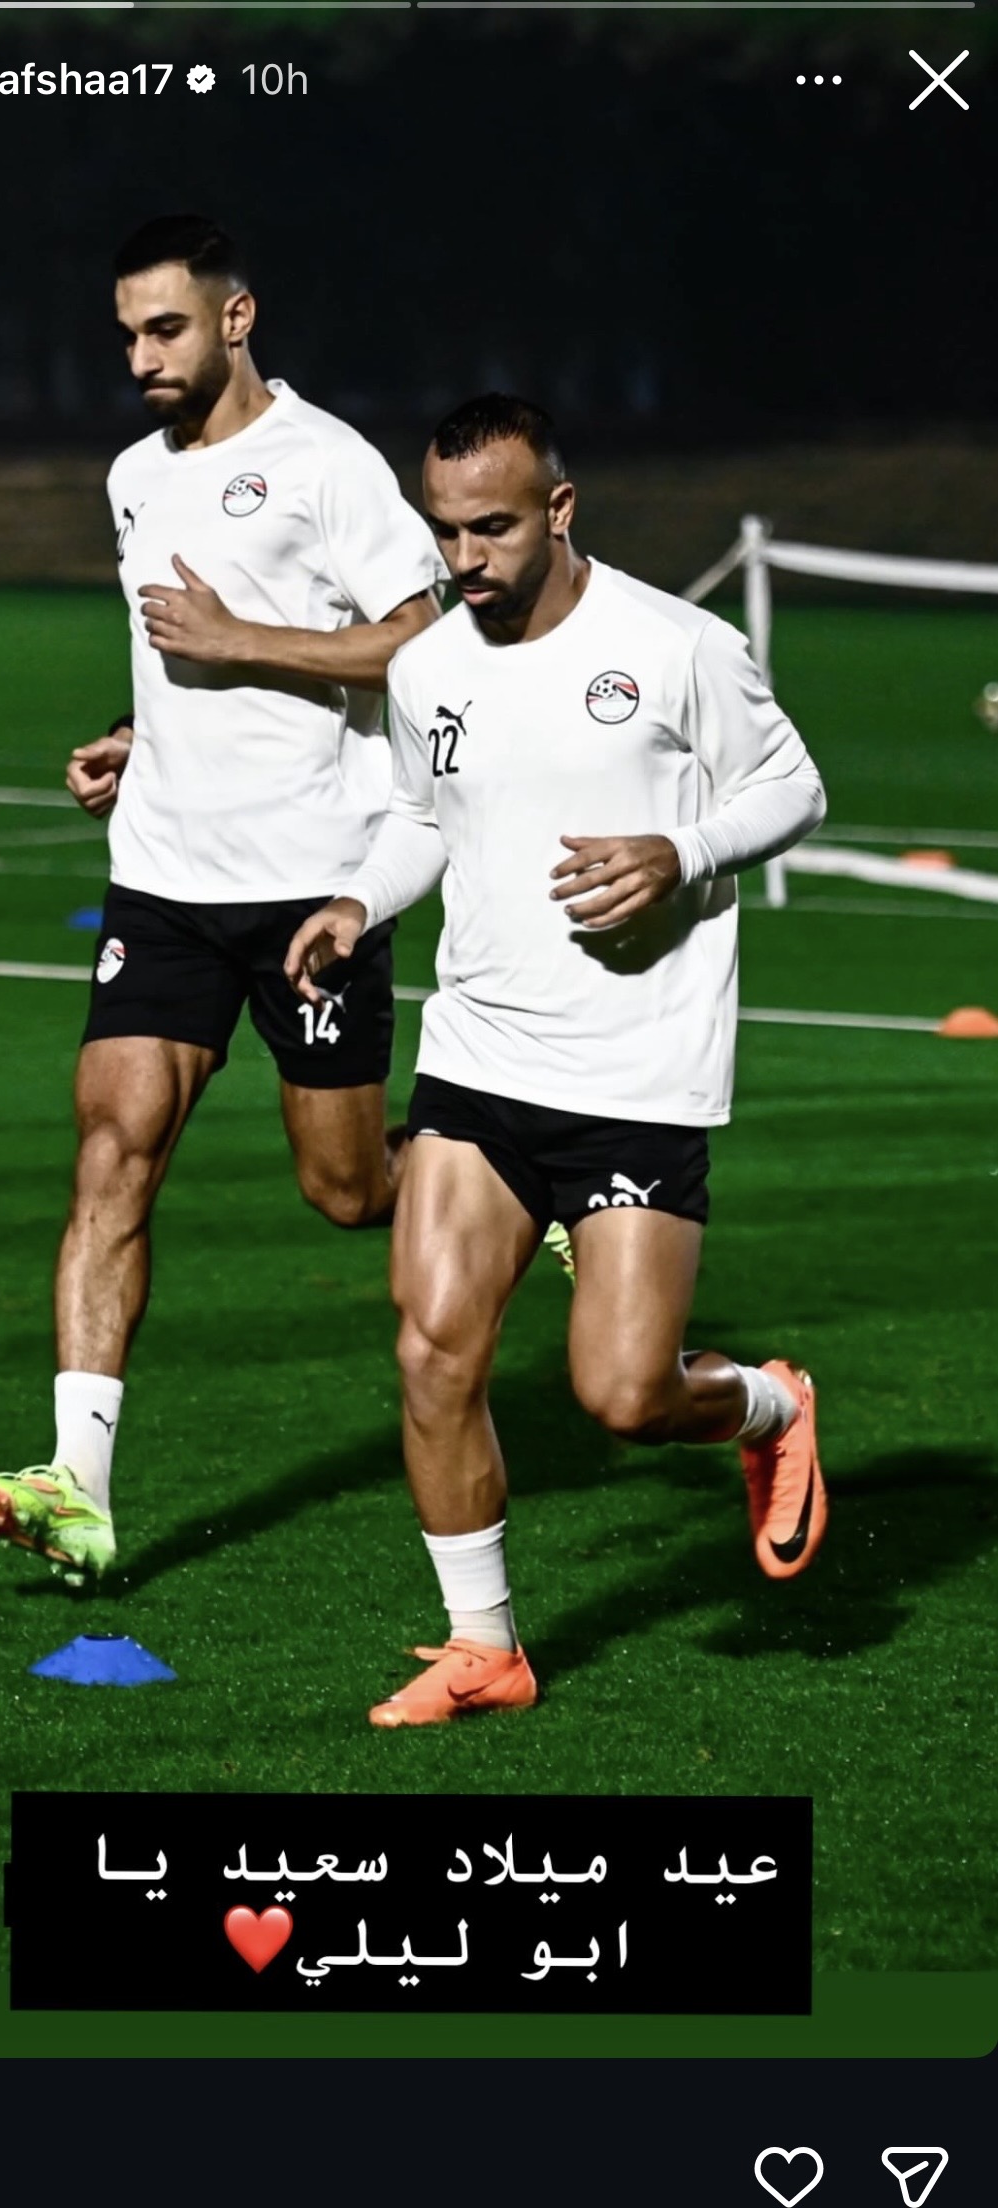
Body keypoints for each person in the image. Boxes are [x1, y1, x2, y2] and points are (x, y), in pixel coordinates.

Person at [285, 393, 829, 1727]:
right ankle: (485, 1648)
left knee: (625, 1397)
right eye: (443, 530)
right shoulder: (428, 665)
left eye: (490, 527)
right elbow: (420, 813)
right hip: (478, 1056)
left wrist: (680, 851)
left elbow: (792, 787)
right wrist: (359, 901)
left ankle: (768, 1408)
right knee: (432, 1351)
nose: (462, 556)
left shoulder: (675, 645)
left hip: (633, 1074)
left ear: (560, 509)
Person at [0, 214, 444, 1583]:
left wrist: (241, 641)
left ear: (237, 318)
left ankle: (519, 1175)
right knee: (111, 1151)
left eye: (164, 328)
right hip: (162, 879)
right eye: (126, 335)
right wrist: (137, 735)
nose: (140, 358)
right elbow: (176, 667)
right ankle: (79, 1484)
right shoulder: (131, 475)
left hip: (311, 888)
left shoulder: (326, 462)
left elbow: (424, 641)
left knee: (345, 1191)